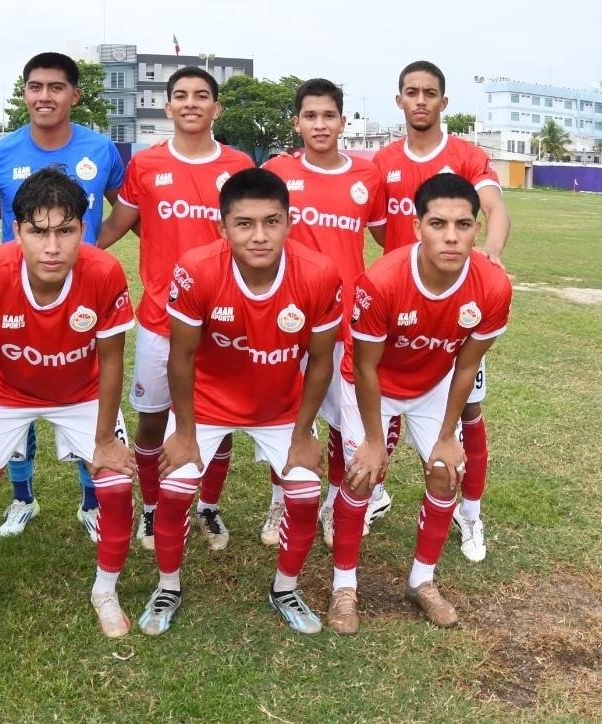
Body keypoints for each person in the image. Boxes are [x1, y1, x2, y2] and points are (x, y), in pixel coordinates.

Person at [141, 168, 341, 635]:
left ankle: (285, 589)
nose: (259, 236)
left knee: (305, 495)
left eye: (272, 222)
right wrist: (184, 432)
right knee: (173, 491)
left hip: (281, 409)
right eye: (244, 224)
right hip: (207, 405)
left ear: (289, 222)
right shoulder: (196, 269)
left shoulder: (319, 273)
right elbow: (181, 356)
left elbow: (319, 361)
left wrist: (302, 433)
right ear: (222, 227)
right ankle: (168, 586)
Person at [0, 167, 136, 644]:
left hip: (81, 393)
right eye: (38, 232)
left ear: (83, 229)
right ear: (16, 231)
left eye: (65, 231)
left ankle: (105, 592)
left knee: (117, 485)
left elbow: (111, 359)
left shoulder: (105, 271)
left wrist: (104, 439)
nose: (52, 247)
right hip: (5, 391)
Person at [328, 173, 512, 634]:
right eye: (438, 224)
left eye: (463, 225)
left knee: (447, 472)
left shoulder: (493, 286)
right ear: (417, 227)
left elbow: (466, 366)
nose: (451, 237)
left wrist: (448, 435)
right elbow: (365, 366)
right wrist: (375, 441)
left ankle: (421, 581)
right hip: (371, 383)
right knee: (362, 474)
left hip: (433, 383)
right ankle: (344, 587)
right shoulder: (381, 281)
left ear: (476, 229)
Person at [0, 52, 126, 540]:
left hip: (80, 293)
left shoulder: (100, 149)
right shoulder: (0, 152)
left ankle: (91, 503)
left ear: (75, 94)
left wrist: (92, 245)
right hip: (16, 295)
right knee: (16, 386)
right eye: (35, 87)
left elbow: (128, 206)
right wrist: (29, 239)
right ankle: (23, 498)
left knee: (80, 383)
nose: (44, 96)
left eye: (56, 87)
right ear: (25, 93)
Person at [96, 66, 254, 552]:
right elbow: (116, 225)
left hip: (223, 320)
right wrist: (69, 259)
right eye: (181, 95)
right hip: (160, 320)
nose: (191, 103)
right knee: (151, 420)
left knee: (218, 420)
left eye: (201, 95)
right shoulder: (146, 164)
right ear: (167, 107)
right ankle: (150, 508)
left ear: (216, 107)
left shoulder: (238, 164)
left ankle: (208, 506)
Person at [371, 61, 512, 561]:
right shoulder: (383, 160)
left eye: (430, 93)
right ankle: (372, 494)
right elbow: (377, 226)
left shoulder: (467, 155)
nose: (421, 101)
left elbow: (495, 209)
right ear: (399, 101)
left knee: (467, 409)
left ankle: (470, 514)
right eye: (412, 92)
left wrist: (490, 255)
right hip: (398, 308)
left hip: (458, 309)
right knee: (383, 397)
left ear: (443, 102)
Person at [262, 78, 386, 548]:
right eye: (310, 116)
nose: (320, 124)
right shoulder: (277, 171)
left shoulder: (367, 176)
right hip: (287, 317)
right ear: (296, 122)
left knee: (340, 418)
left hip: (346, 319)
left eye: (328, 115)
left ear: (342, 121)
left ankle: (335, 504)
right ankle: (280, 499)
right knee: (287, 412)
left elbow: (387, 239)